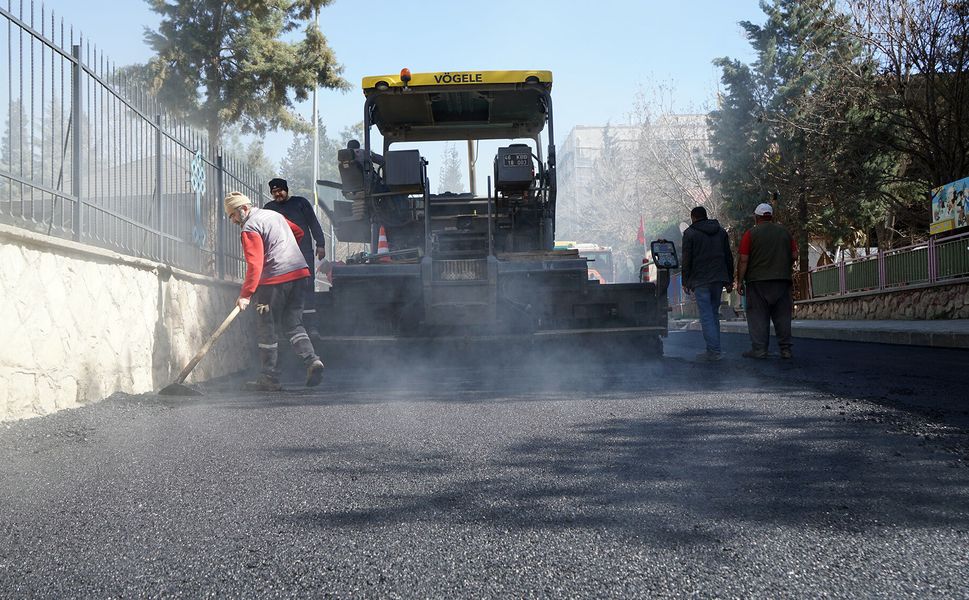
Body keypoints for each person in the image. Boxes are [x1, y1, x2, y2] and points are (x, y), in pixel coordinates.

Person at [224, 191, 325, 390]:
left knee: (266, 326)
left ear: (244, 208)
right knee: (293, 323)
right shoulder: (274, 216)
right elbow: (298, 233)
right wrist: (283, 248)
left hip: (275, 281)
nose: (233, 220)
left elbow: (255, 264)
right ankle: (312, 360)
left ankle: (269, 377)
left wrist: (245, 295)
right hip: (299, 274)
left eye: (233, 215)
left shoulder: (250, 227)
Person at [263, 178, 326, 337]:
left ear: (287, 190)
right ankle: (288, 327)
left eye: (280, 191)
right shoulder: (269, 209)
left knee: (307, 287)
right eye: (274, 192)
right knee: (284, 291)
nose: (278, 194)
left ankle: (312, 327)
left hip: (304, 253)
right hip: (280, 257)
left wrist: (321, 244)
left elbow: (313, 223)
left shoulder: (301, 203)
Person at [736, 202, 797, 359]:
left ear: (756, 217)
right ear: (771, 216)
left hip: (757, 283)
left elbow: (743, 259)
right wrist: (785, 269)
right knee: (782, 316)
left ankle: (759, 349)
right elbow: (795, 256)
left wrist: (739, 281)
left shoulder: (750, 234)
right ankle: (785, 349)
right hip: (782, 282)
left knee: (757, 316)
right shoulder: (785, 233)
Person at [681, 206, 734, 362]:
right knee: (713, 313)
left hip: (701, 280)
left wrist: (685, 281)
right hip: (718, 278)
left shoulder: (689, 234)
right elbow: (728, 256)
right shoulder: (721, 231)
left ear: (693, 218)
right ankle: (714, 349)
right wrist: (729, 279)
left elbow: (687, 259)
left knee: (706, 316)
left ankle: (714, 351)